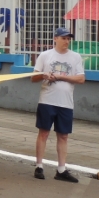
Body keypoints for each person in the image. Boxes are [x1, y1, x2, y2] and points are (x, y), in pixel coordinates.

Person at [32, 27, 85, 182]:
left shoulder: (75, 57)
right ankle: (39, 166)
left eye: (68, 39)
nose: (66, 41)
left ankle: (61, 169)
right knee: (44, 133)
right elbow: (33, 77)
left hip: (66, 102)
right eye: (63, 38)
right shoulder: (45, 55)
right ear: (55, 38)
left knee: (63, 135)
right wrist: (44, 75)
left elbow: (81, 78)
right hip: (47, 100)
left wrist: (61, 77)